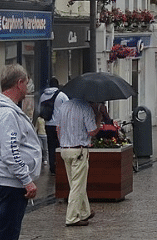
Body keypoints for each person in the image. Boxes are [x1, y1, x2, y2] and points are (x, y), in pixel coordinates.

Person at [0, 64, 41, 240]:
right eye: (27, 83)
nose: (28, 88)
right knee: (8, 233)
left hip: (8, 182)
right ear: (19, 83)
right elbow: (10, 151)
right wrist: (26, 180)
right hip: (11, 184)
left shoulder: (4, 110)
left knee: (5, 231)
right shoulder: (7, 114)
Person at [56, 95, 101, 227]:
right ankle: (71, 217)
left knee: (75, 183)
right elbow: (92, 131)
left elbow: (57, 129)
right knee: (77, 185)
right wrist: (98, 118)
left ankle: (84, 211)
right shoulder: (85, 107)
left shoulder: (62, 107)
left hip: (65, 149)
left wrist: (64, 143)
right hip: (79, 150)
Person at [38, 78, 68, 175]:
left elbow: (40, 110)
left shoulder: (43, 95)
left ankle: (52, 168)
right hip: (60, 125)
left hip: (48, 125)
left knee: (51, 146)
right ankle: (59, 165)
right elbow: (68, 108)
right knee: (60, 145)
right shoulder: (62, 95)